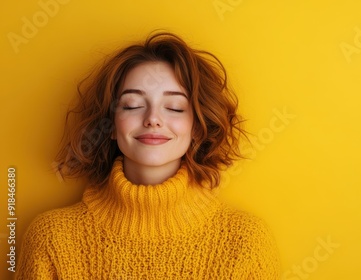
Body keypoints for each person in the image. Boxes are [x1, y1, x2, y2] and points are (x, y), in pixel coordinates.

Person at [16, 31, 281, 279]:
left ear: (198, 128)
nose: (153, 119)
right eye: (133, 105)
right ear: (110, 125)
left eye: (175, 107)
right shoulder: (51, 239)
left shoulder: (246, 243)